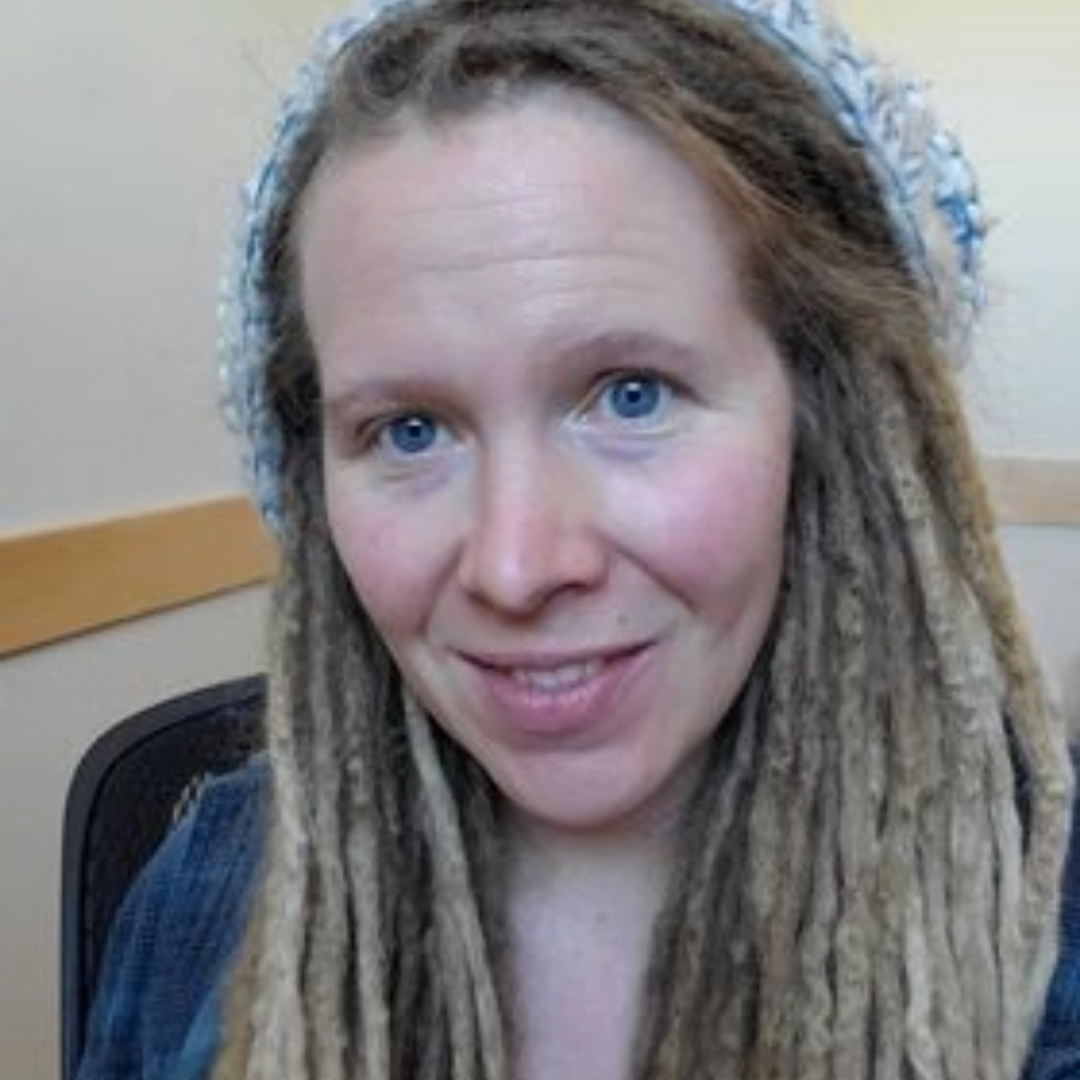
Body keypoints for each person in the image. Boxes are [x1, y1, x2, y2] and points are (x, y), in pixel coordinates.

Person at [76, 1, 1079, 1078]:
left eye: (631, 394)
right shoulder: (201, 895)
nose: (515, 567)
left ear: (830, 427)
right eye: (409, 430)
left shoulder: (1046, 941)